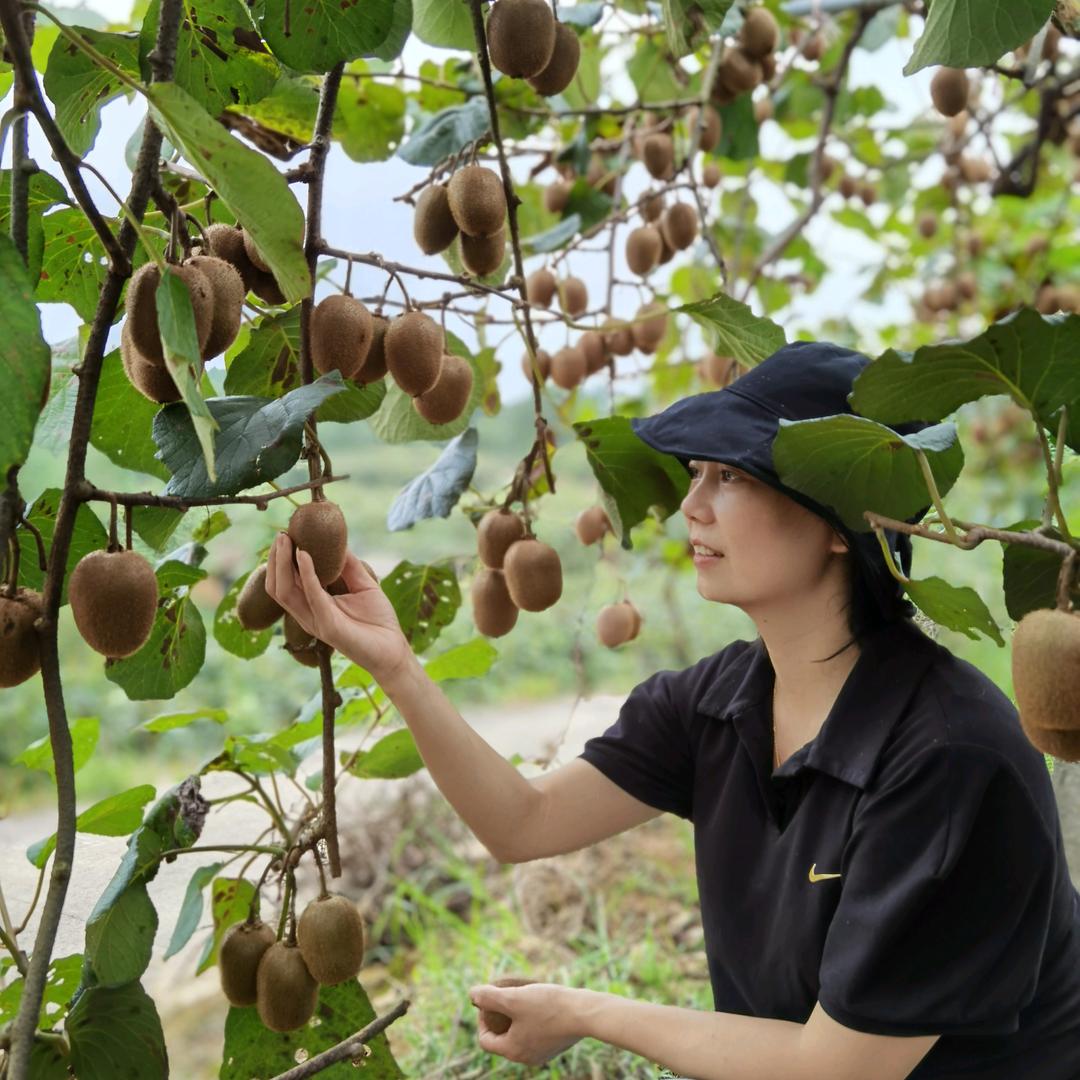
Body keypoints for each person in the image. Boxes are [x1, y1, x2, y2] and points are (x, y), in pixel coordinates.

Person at [265, 340, 1080, 1079]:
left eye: (733, 476)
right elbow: (522, 823)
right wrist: (396, 665)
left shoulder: (946, 758)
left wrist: (582, 1012)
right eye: (698, 473)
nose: (693, 505)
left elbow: (836, 1070)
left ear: (843, 525)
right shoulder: (719, 701)